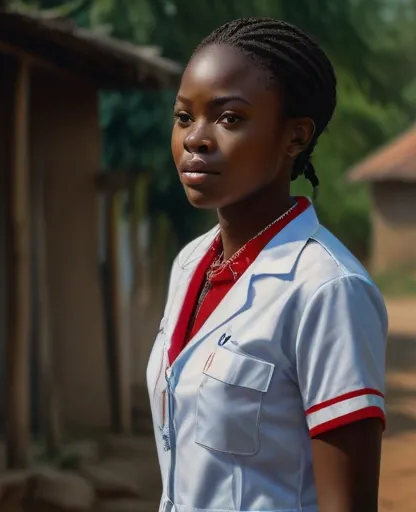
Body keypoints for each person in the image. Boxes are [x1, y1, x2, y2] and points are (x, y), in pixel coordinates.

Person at [146, 17, 387, 512]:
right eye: (184, 117)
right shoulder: (190, 264)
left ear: (295, 136)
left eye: (229, 118)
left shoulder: (326, 289)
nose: (196, 139)